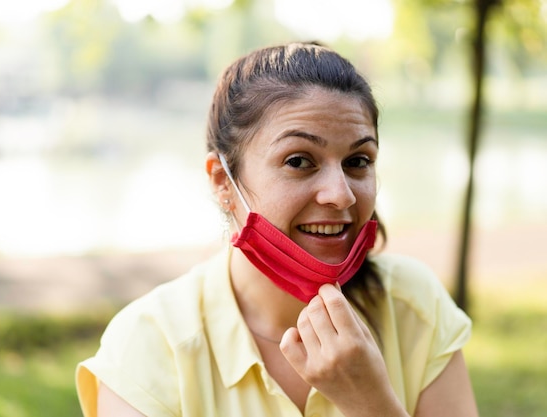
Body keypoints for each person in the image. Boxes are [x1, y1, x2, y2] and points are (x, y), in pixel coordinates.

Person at [76, 42, 479, 417]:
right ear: (221, 181)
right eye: (300, 161)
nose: (341, 195)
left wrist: (372, 405)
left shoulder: (415, 307)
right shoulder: (149, 343)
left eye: (358, 161)